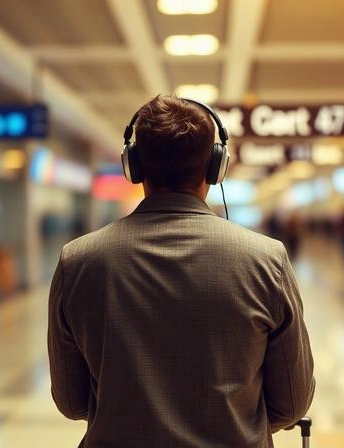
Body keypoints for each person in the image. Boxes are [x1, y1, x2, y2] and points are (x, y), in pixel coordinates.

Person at [47, 95, 315, 447]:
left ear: (134, 166)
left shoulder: (78, 261)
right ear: (214, 167)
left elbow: (72, 401)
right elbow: (291, 403)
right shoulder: (267, 260)